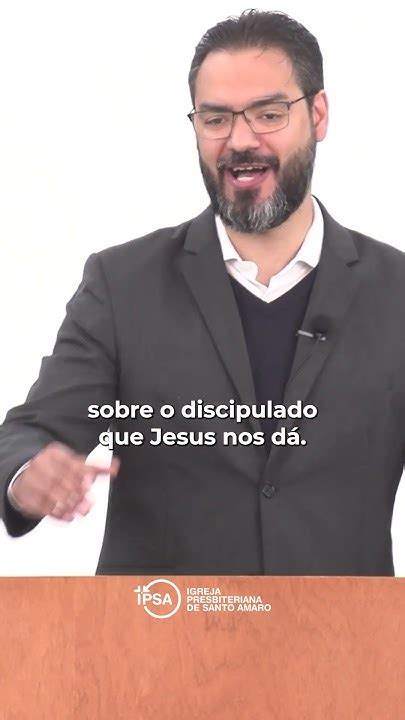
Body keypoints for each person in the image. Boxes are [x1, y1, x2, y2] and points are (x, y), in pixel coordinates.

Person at [0, 9, 404, 576]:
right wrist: (28, 474)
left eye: (268, 114)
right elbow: (30, 432)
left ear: (317, 115)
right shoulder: (124, 285)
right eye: (216, 119)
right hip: (162, 628)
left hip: (340, 630)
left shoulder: (395, 292)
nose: (240, 141)